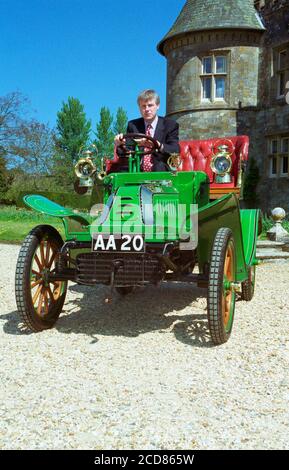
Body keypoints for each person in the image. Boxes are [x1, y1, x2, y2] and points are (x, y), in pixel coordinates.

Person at [114, 89, 180, 172]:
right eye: (143, 106)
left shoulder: (170, 125)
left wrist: (157, 144)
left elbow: (175, 149)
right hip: (137, 169)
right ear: (139, 107)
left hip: (160, 168)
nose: (147, 109)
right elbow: (124, 153)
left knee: (159, 166)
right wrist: (121, 145)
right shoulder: (133, 125)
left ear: (158, 105)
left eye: (150, 105)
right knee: (122, 170)